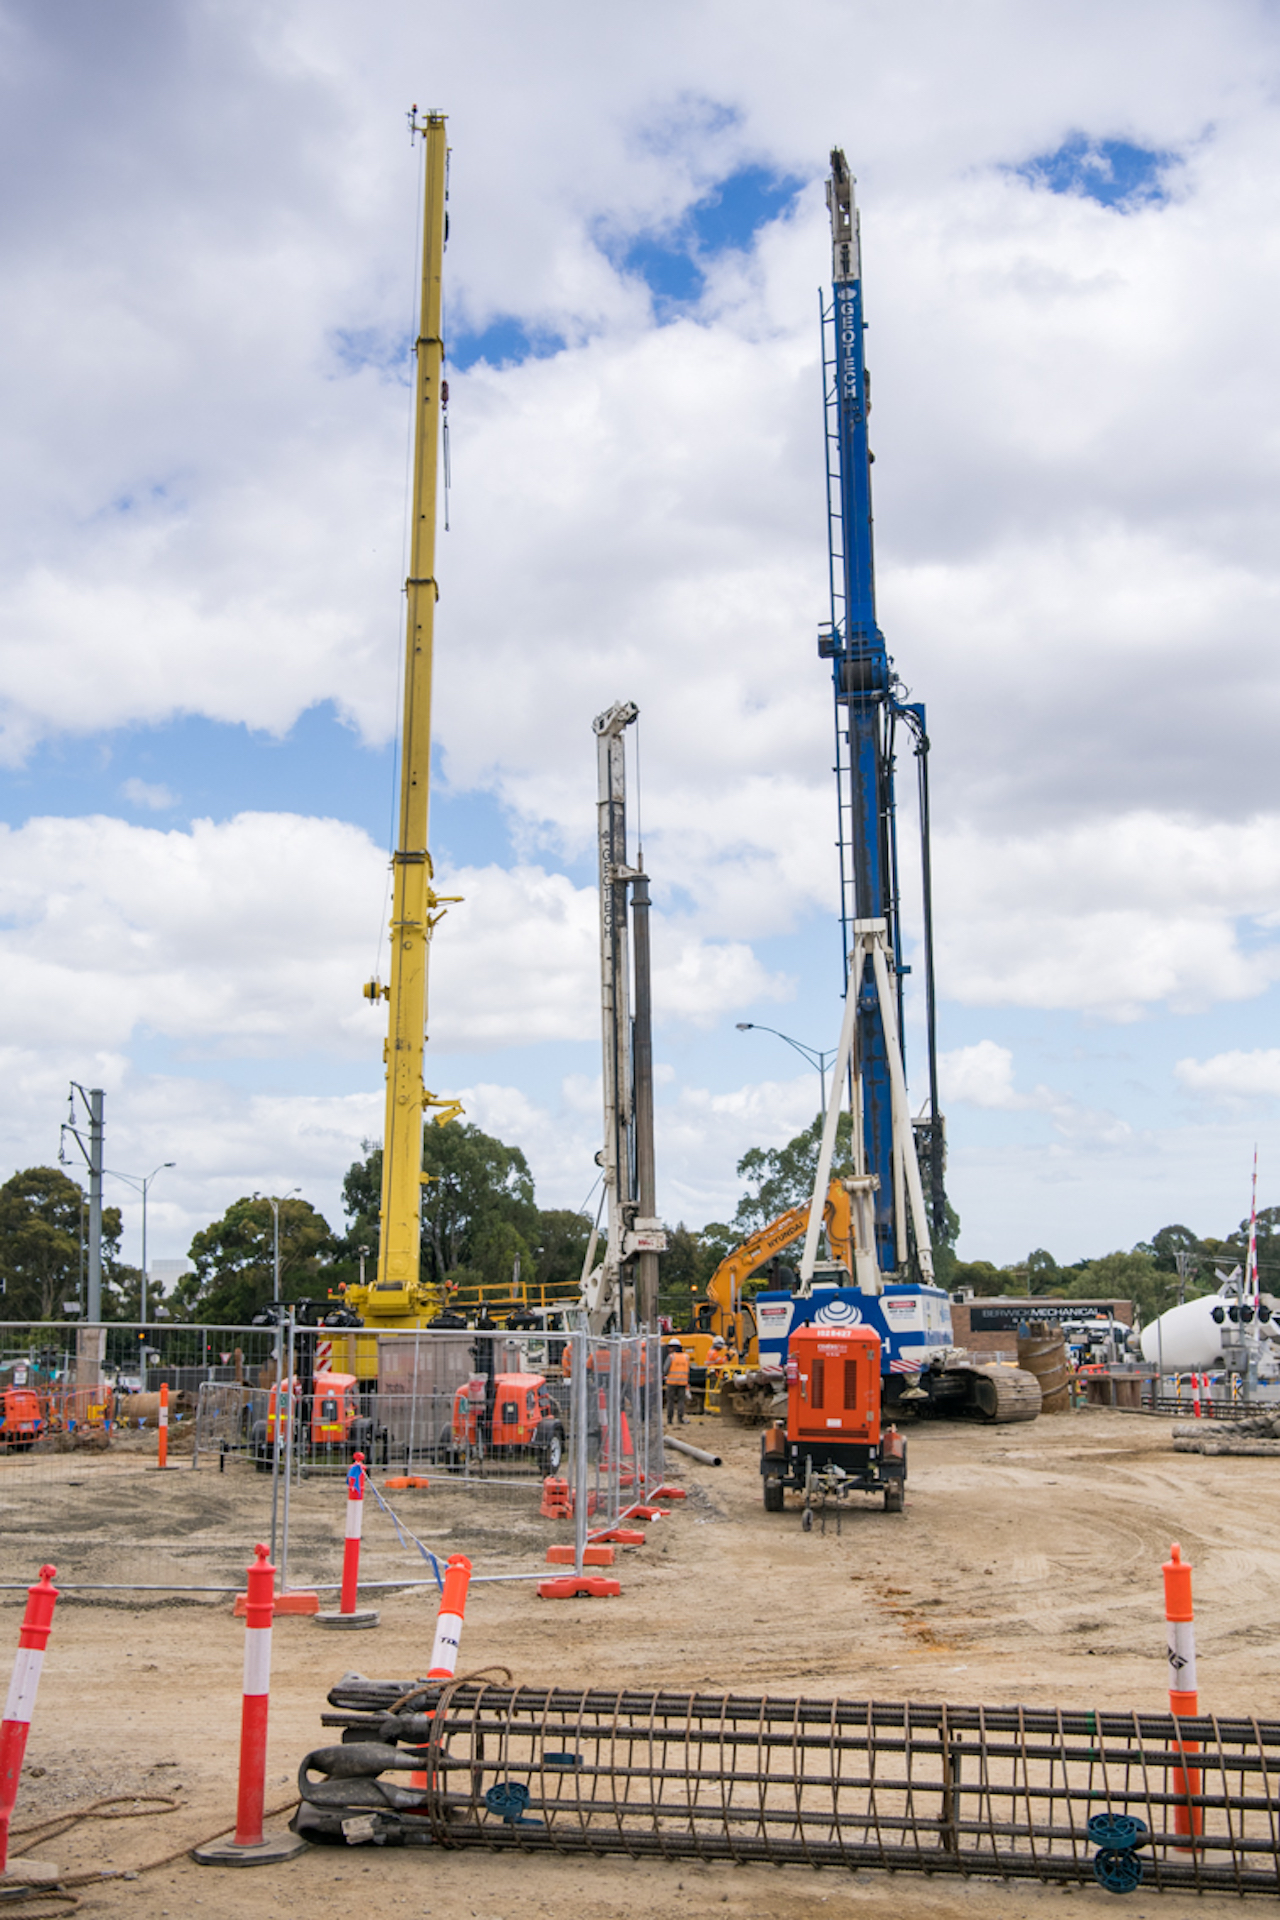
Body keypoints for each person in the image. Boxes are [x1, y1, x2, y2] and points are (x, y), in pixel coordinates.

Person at [664, 1340, 690, 1426]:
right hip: (682, 1382)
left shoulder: (671, 1357)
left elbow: (665, 1370)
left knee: (670, 1401)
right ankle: (680, 1418)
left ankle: (670, 1419)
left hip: (671, 1382)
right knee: (681, 1401)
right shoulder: (686, 1357)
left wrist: (664, 1375)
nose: (669, 1348)